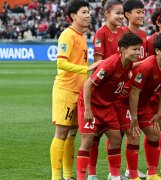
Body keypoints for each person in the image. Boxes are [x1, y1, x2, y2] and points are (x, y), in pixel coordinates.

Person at [76, 32, 143, 180]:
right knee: (87, 141)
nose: (138, 53)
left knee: (116, 139)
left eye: (139, 49)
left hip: (107, 107)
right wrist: (87, 109)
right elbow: (88, 85)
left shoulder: (128, 63)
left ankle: (114, 176)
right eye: (134, 49)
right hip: (91, 105)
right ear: (123, 49)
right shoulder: (110, 64)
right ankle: (82, 177)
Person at [50, 1, 101, 180]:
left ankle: (67, 175)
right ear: (73, 16)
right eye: (84, 12)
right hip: (65, 90)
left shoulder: (81, 36)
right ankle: (56, 177)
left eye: (89, 12)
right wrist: (86, 69)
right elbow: (61, 63)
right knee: (62, 133)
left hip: (77, 91)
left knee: (72, 133)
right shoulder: (67, 35)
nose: (88, 15)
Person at [114, 33, 161, 180]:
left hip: (143, 104)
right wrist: (134, 118)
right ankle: (133, 175)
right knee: (134, 136)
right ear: (157, 51)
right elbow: (133, 94)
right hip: (125, 104)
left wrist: (160, 111)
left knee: (154, 133)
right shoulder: (147, 66)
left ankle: (152, 174)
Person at [87, 1, 125, 179]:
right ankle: (92, 174)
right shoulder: (101, 33)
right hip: (103, 90)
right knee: (95, 135)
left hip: (119, 90)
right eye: (117, 13)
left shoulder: (125, 33)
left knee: (117, 133)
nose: (121, 17)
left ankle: (113, 173)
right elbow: (98, 63)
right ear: (107, 13)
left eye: (122, 13)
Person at [122, 0, 147, 66]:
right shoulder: (121, 33)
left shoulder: (143, 34)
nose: (142, 16)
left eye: (143, 12)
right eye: (138, 12)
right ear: (127, 14)